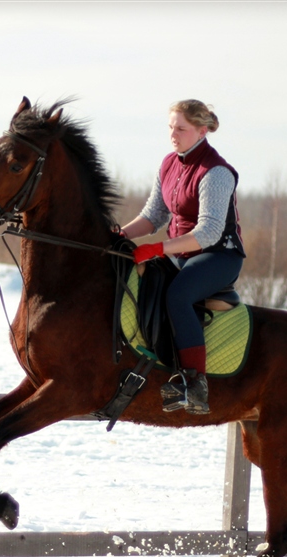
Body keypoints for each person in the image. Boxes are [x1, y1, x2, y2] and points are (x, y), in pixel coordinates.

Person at [120, 99, 245, 415]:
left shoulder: (216, 172)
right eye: (170, 128)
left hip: (218, 256)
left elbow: (208, 233)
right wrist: (120, 236)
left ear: (202, 131)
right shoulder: (168, 164)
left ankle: (195, 383)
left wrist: (157, 248)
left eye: (181, 129)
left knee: (178, 295)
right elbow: (153, 215)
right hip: (179, 253)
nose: (173, 135)